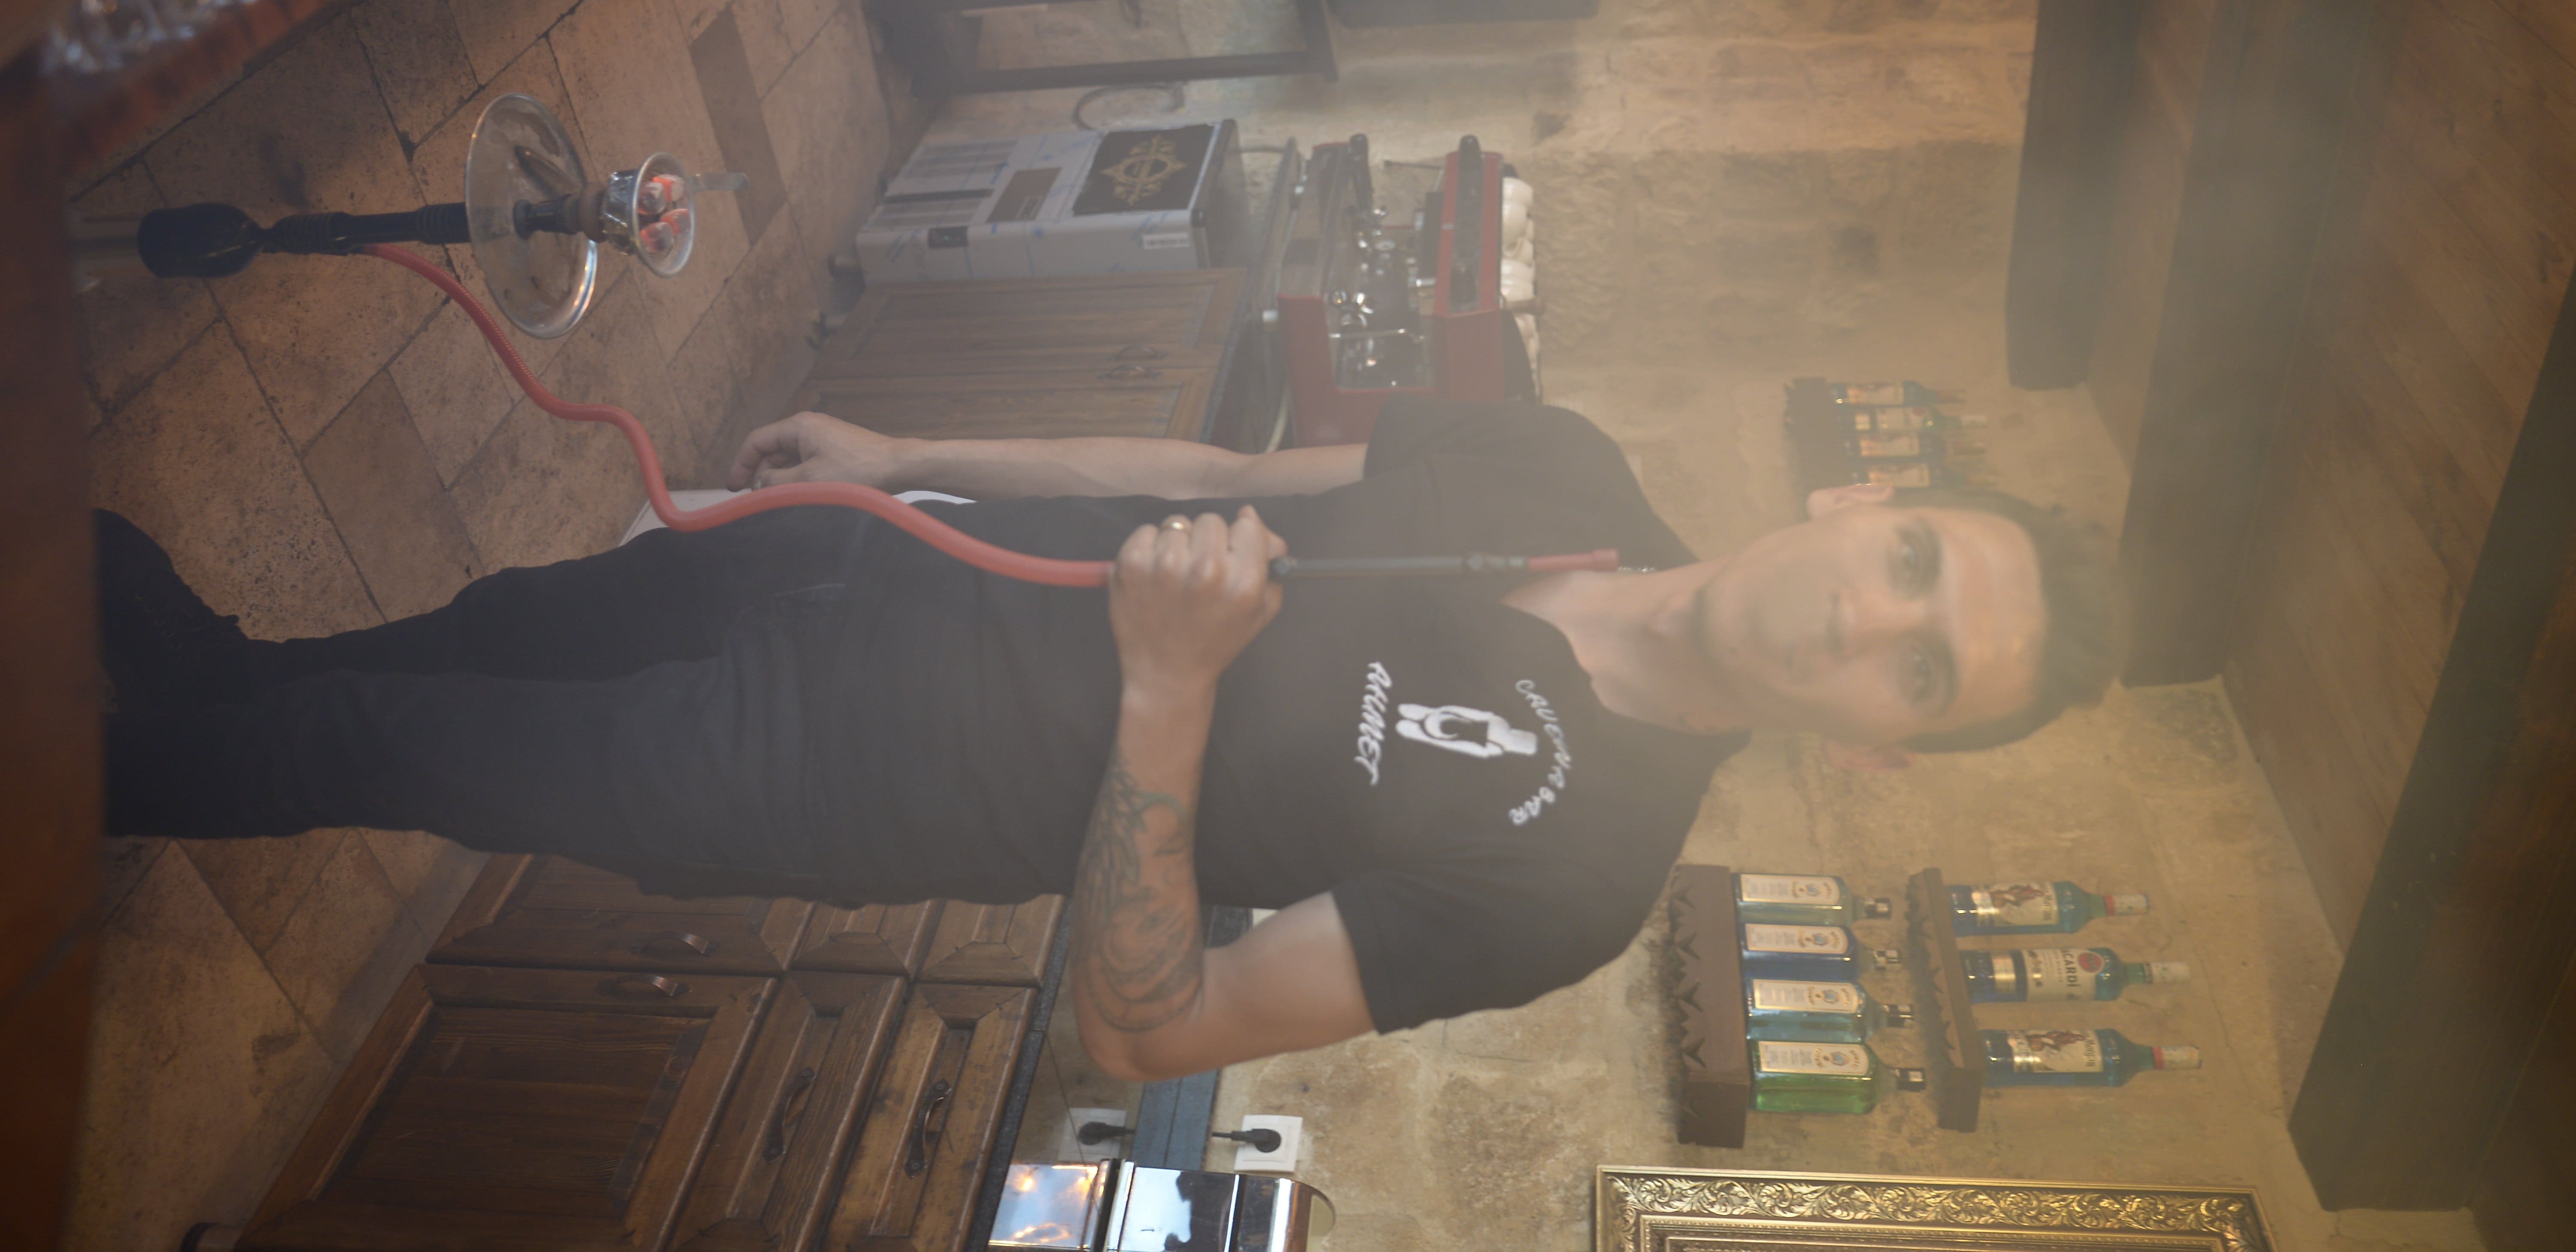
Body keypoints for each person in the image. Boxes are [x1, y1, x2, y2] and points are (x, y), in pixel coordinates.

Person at [100, 397, 2120, 1081]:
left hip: (834, 771)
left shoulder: (1580, 876)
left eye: (1920, 672)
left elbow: (1151, 1028)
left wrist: (1169, 686)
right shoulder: (1562, 458)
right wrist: (905, 452)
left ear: (1877, 754)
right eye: (1915, 564)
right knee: (480, 634)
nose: (1872, 619)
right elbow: (1220, 468)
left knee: (365, 747)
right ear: (1864, 498)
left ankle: (88, 779)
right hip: (869, 556)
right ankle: (206, 668)